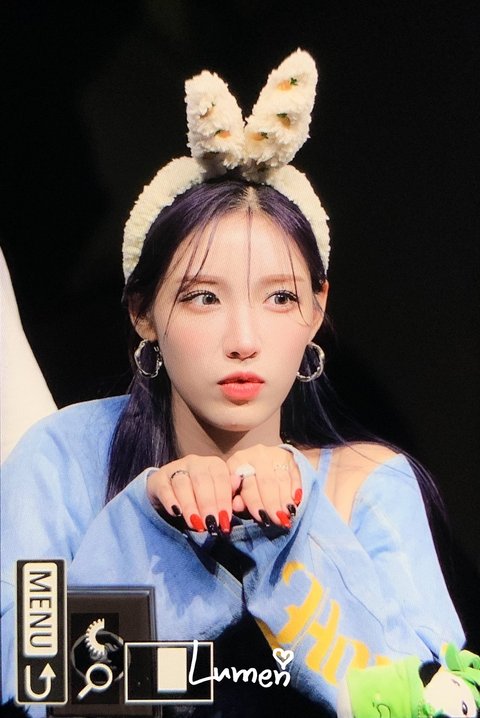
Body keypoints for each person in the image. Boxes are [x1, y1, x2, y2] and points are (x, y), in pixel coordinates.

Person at [0, 50, 464, 717]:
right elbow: (32, 690)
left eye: (279, 297)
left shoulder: (368, 486)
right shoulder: (59, 461)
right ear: (143, 312)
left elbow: (436, 703)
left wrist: (297, 537)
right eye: (203, 297)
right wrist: (154, 530)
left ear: (315, 311)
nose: (243, 338)